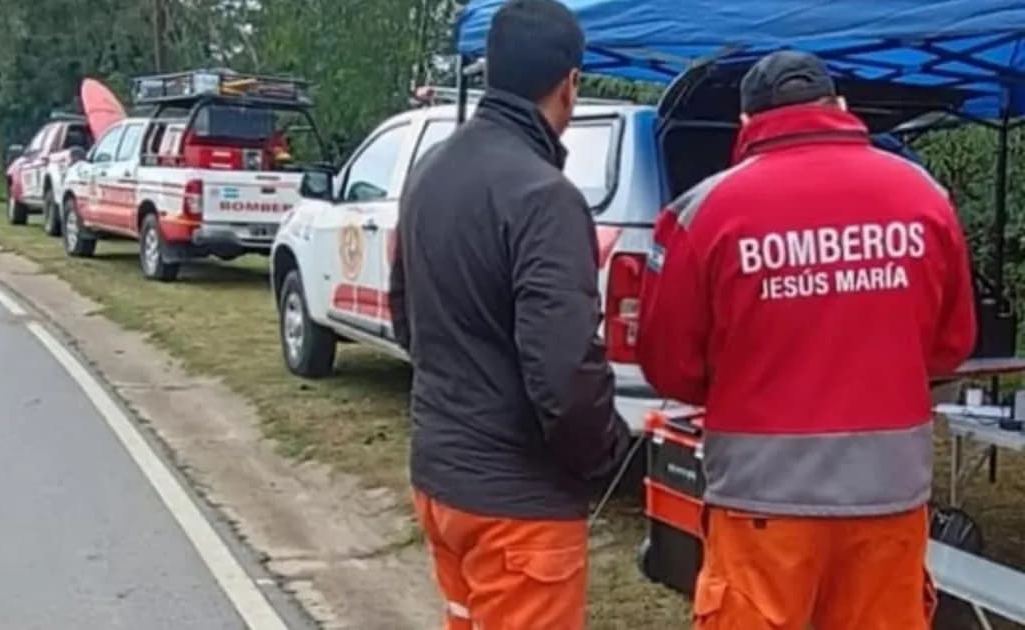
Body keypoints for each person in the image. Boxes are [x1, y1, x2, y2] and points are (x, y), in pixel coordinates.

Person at [637, 50, 976, 630]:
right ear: (839, 108)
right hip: (888, 500)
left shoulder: (704, 212)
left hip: (762, 504)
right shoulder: (923, 198)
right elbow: (951, 344)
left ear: (747, 124)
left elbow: (669, 365)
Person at [388, 0, 630, 627]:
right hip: (519, 509)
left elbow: (405, 315)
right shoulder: (545, 197)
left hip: (443, 481)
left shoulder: (429, 170)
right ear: (570, 84)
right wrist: (610, 454)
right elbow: (564, 373)